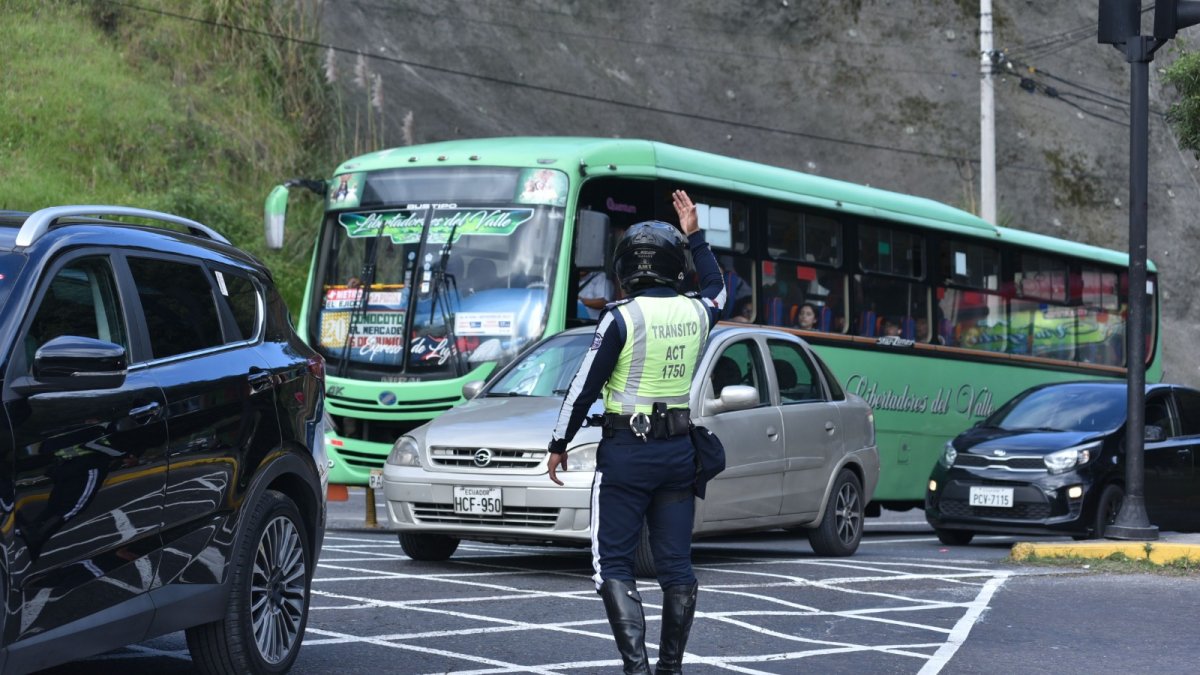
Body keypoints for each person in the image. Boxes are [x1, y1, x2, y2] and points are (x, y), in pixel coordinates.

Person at [547, 189, 726, 674]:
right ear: (675, 267)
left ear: (626, 268)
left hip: (626, 454)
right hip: (678, 455)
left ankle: (636, 669)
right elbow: (717, 287)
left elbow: (583, 388)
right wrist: (696, 236)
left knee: (612, 564)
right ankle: (670, 668)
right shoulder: (699, 311)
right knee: (676, 567)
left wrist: (559, 443)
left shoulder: (620, 318)